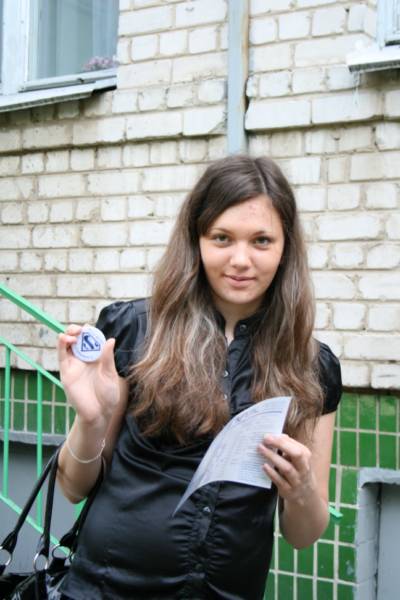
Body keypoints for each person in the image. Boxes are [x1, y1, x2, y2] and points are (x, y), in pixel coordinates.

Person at [56, 155, 342, 600]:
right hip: (106, 588)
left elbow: (303, 534)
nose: (241, 260)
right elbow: (73, 488)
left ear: (286, 248)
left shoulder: (311, 364)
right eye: (222, 238)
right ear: (197, 239)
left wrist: (302, 489)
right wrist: (91, 421)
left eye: (262, 240)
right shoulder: (134, 330)